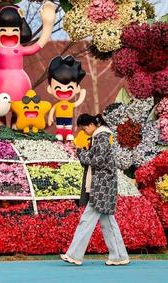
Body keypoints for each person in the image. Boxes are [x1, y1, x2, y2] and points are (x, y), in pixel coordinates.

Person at [0, 0, 56, 125]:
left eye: (14, 30)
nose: (9, 33)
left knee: (19, 106)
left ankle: (17, 122)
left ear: (20, 31)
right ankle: (0, 122)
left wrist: (48, 25)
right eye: (3, 30)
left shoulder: (20, 49)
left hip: (19, 83)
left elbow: (39, 44)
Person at [60, 113, 130, 267]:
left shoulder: (101, 137)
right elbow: (95, 158)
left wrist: (80, 151)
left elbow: (96, 160)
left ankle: (74, 255)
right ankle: (119, 256)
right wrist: (81, 151)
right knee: (108, 223)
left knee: (86, 221)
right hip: (104, 185)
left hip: (101, 186)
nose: (84, 131)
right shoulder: (101, 137)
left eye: (84, 128)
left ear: (91, 125)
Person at [46, 56, 87, 142]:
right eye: (58, 87)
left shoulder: (70, 105)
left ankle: (68, 134)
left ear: (77, 89)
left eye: (69, 87)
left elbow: (78, 102)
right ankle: (59, 134)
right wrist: (50, 117)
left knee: (68, 127)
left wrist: (82, 94)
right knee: (60, 127)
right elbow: (53, 110)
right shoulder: (57, 105)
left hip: (68, 119)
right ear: (50, 89)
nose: (64, 90)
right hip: (59, 118)